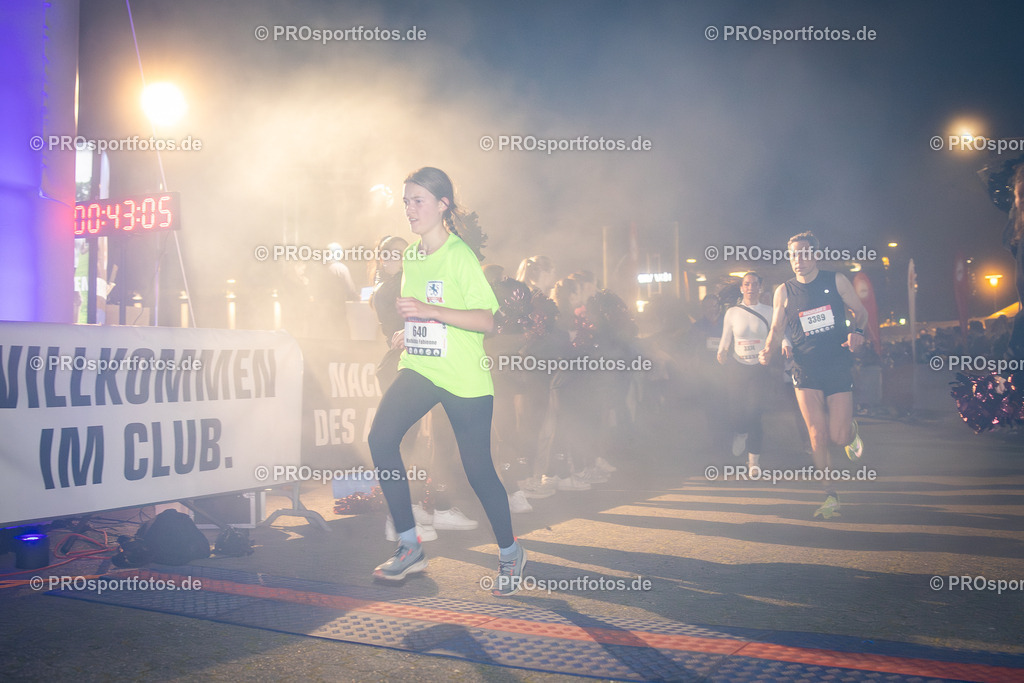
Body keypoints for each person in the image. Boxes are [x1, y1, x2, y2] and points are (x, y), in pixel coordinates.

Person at [368, 167, 525, 596]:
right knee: (381, 439)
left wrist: (429, 311)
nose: (409, 209)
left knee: (478, 471)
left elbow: (487, 321)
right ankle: (408, 545)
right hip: (421, 366)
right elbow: (419, 310)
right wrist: (408, 330)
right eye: (405, 201)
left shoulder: (459, 256)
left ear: (443, 205)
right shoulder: (413, 256)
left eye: (418, 200)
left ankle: (511, 552)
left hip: (464, 376)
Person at [760, 231, 868, 520]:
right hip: (804, 368)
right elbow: (776, 328)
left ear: (816, 255)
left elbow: (861, 312)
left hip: (836, 364)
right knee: (817, 435)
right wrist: (767, 349)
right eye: (793, 254)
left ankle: (851, 432)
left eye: (804, 253)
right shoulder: (783, 290)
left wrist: (857, 333)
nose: (798, 259)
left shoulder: (836, 281)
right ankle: (830, 493)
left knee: (839, 436)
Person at [717, 272, 772, 477]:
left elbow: (779, 334)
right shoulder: (732, 312)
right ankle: (740, 432)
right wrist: (721, 351)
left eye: (755, 284)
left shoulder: (769, 311)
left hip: (759, 367)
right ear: (742, 288)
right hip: (737, 367)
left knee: (755, 412)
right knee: (737, 410)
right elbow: (726, 337)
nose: (751, 287)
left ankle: (753, 460)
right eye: (747, 284)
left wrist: (785, 346)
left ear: (760, 287)